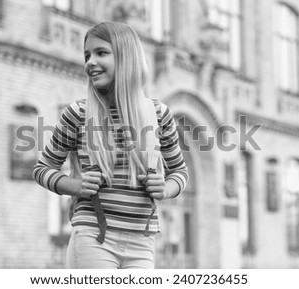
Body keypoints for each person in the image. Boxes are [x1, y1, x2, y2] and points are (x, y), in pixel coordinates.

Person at [33, 22, 188, 269]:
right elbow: (42, 169)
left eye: (101, 53)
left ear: (127, 57)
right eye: (87, 55)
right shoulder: (79, 113)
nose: (90, 62)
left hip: (143, 240)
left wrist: (166, 189)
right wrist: (76, 185)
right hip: (94, 237)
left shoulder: (159, 114)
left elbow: (180, 173)